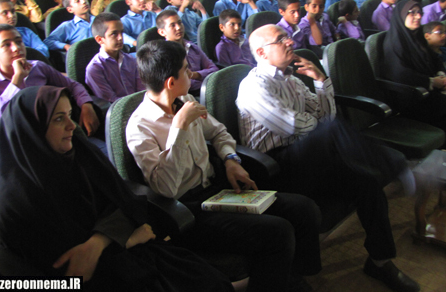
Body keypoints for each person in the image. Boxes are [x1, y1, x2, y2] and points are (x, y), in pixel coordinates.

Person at [0, 85, 234, 292]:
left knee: (210, 281)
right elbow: (64, 274)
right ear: (32, 131)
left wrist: (101, 241)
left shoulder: (80, 155)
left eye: (69, 115)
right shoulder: (16, 198)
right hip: (99, 277)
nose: (71, 125)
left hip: (127, 252)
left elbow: (124, 200)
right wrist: (125, 240)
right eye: (58, 119)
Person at [236, 23, 420, 292]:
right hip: (275, 169)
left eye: (288, 36)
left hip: (310, 158)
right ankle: (399, 166)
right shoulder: (253, 86)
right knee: (331, 131)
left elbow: (327, 117)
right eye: (281, 39)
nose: (290, 42)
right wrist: (322, 126)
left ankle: (380, 261)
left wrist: (321, 81)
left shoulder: (293, 80)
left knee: (366, 182)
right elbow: (292, 126)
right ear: (262, 53)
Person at [126, 40, 322, 292]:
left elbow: (219, 133)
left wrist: (230, 160)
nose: (190, 73)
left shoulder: (184, 99)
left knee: (304, 209)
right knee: (278, 232)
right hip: (187, 210)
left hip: (216, 190)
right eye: (186, 70)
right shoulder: (140, 127)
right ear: (170, 83)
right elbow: (164, 188)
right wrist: (179, 129)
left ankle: (293, 279)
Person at [382, 0, 446, 158]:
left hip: (431, 92)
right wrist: (430, 81)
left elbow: (434, 60)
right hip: (414, 99)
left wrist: (442, 75)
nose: (417, 16)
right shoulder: (394, 43)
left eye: (419, 12)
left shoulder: (417, 37)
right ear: (401, 16)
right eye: (411, 13)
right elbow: (400, 74)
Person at [0, 24, 99, 136]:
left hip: (56, 130)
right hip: (23, 138)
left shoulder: (38, 67)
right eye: (6, 45)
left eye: (19, 42)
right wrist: (17, 80)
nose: (16, 48)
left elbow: (73, 85)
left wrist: (86, 105)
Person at [156, 10, 217, 95]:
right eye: (172, 25)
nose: (178, 27)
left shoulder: (192, 46)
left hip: (206, 87)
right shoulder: (163, 55)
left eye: (180, 23)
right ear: (162, 32)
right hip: (186, 95)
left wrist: (194, 75)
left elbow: (214, 69)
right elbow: (173, 86)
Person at [86, 13, 144, 102]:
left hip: (140, 105)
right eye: (114, 34)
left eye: (121, 32)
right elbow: (110, 100)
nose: (120, 38)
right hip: (119, 112)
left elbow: (142, 90)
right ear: (99, 39)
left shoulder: (131, 60)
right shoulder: (95, 68)